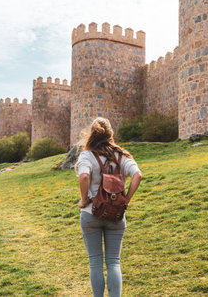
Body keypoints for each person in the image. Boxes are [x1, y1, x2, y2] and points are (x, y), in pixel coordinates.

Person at [75, 117, 142, 297]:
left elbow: (83, 177)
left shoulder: (87, 155)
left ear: (92, 135)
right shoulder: (122, 156)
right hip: (116, 216)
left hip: (91, 214)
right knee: (114, 262)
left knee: (95, 262)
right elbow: (138, 175)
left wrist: (84, 200)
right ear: (110, 134)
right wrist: (126, 200)